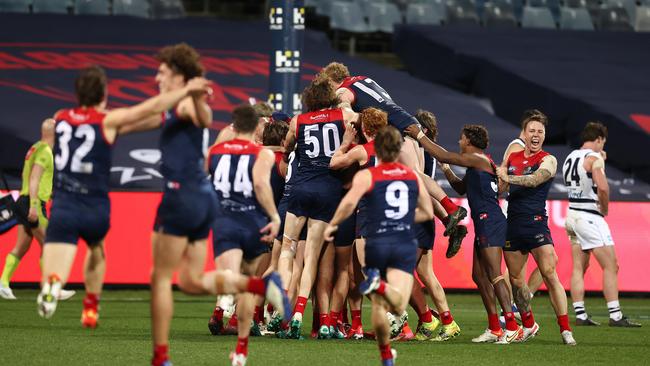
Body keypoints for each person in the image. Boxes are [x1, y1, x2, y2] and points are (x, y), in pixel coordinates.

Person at [35, 65, 212, 327]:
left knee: (55, 263)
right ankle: (91, 306)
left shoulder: (60, 117)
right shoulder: (107, 120)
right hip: (95, 205)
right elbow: (147, 109)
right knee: (96, 249)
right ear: (104, 94)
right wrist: (185, 92)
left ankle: (52, 283)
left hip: (64, 203)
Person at [318, 62, 467, 241]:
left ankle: (452, 209)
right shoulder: (363, 79)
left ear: (333, 81)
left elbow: (346, 111)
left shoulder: (342, 90)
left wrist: (355, 118)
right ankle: (448, 218)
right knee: (415, 177)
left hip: (399, 129)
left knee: (415, 175)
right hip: (404, 121)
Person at [325, 125, 433, 366]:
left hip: (376, 241)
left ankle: (385, 355)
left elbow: (349, 204)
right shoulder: (411, 175)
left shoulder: (367, 175)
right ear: (397, 149)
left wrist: (333, 223)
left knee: (379, 304)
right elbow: (426, 211)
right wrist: (404, 217)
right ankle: (382, 289)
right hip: (403, 242)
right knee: (398, 303)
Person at [406, 123, 522, 344]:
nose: (459, 142)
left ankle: (512, 326)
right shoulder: (477, 165)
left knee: (495, 275)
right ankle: (495, 328)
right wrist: (446, 170)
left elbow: (445, 154)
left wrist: (420, 135)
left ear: (469, 141)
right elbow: (460, 188)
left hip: (491, 222)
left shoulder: (477, 158)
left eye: (461, 138)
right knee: (479, 276)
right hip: (484, 223)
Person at [208, 104, 290, 365]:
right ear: (257, 126)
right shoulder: (262, 154)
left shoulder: (214, 151)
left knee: (231, 279)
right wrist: (274, 216)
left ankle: (248, 296)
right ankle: (241, 349)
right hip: (253, 221)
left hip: (224, 221)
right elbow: (259, 185)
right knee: (246, 282)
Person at [279, 76, 358, 339]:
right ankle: (300, 311)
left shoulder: (297, 120)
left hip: (301, 188)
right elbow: (362, 124)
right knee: (312, 257)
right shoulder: (344, 115)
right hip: (329, 191)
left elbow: (287, 147)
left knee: (288, 250)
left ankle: (280, 312)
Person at [495, 111, 576, 345]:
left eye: (540, 132)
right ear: (524, 133)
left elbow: (534, 180)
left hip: (537, 224)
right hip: (513, 224)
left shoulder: (548, 159)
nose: (536, 135)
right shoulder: (513, 156)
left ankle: (565, 329)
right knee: (516, 280)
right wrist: (499, 177)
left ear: (544, 135)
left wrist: (508, 178)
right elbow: (501, 188)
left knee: (550, 275)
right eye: (532, 130)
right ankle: (529, 324)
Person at [563, 122, 640, 328]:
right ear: (598, 139)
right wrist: (604, 209)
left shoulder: (570, 157)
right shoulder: (594, 158)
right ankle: (615, 316)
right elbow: (603, 188)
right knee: (611, 266)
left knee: (579, 267)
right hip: (589, 216)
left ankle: (580, 314)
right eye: (602, 143)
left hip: (571, 214)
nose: (602, 147)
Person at [0, 119, 74, 301]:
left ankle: (2, 283)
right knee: (48, 245)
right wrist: (33, 206)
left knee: (22, 246)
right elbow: (34, 178)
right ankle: (51, 288)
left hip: (25, 201)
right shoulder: (45, 152)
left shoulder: (34, 147)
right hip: (33, 203)